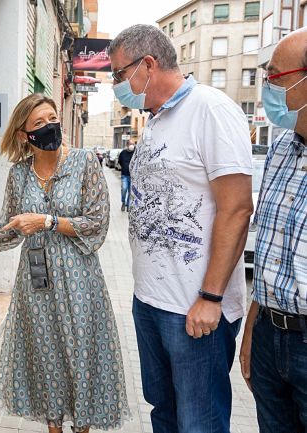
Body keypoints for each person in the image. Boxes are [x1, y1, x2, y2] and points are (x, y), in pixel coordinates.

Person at [0, 94, 130, 433]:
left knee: (80, 357)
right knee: (47, 360)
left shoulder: (85, 163)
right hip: (35, 285)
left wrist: (48, 222)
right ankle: (53, 428)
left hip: (80, 282)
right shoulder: (19, 175)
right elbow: (8, 230)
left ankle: (82, 428)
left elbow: (98, 222)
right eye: (39, 124)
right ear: (23, 135)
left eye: (52, 118)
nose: (49, 127)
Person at [108, 24, 253, 433]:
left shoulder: (211, 110)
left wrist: (211, 296)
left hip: (195, 311)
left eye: (120, 74)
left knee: (199, 422)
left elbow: (238, 208)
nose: (117, 85)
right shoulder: (154, 119)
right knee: (164, 412)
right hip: (151, 302)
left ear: (148, 65)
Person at [239, 28, 307, 433]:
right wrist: (252, 328)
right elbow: (269, 248)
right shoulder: (281, 147)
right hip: (269, 335)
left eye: (276, 76)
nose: (268, 87)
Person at [118, 141, 135, 211]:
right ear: (127, 145)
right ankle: (123, 202)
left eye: (133, 144)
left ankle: (128, 205)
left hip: (132, 176)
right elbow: (120, 162)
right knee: (124, 189)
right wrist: (125, 167)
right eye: (131, 144)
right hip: (124, 175)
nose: (132, 145)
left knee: (130, 191)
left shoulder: (135, 153)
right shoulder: (123, 153)